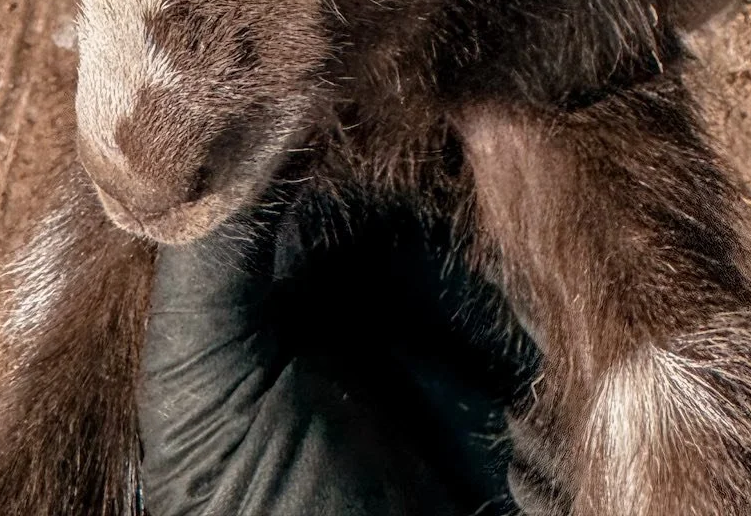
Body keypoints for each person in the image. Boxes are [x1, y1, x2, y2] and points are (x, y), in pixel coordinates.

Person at [138, 186, 542, 515]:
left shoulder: (212, 472)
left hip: (359, 227)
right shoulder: (208, 471)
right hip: (513, 262)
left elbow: (222, 213)